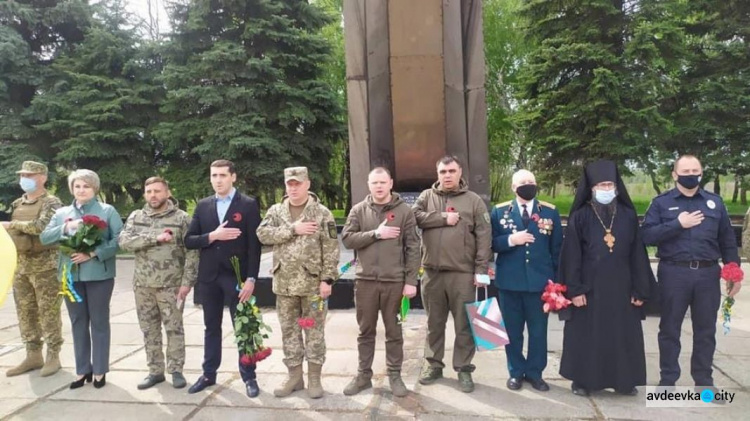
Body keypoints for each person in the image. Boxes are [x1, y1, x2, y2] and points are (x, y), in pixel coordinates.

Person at [642, 155, 741, 391]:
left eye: (695, 170)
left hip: (707, 274)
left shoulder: (714, 203)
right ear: (675, 174)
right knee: (669, 330)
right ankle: (668, 381)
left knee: (706, 331)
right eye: (685, 170)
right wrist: (678, 224)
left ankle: (704, 382)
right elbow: (646, 236)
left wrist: (733, 271)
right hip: (674, 273)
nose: (690, 174)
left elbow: (727, 240)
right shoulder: (661, 203)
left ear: (701, 173)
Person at [558, 160, 652, 396]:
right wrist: (575, 290)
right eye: (601, 184)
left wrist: (640, 290)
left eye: (610, 184)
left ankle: (625, 380)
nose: (606, 188)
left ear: (617, 187)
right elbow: (571, 255)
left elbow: (638, 255)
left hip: (622, 287)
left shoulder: (628, 215)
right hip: (589, 289)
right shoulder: (579, 217)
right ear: (591, 188)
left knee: (622, 336)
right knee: (588, 335)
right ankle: (583, 380)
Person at [256, 166, 340, 399]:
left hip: (313, 285)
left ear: (307, 184)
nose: (293, 188)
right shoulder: (276, 211)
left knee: (313, 331)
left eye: (297, 183)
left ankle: (314, 377)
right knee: (289, 332)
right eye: (289, 184)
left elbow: (331, 249)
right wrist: (293, 229)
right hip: (284, 284)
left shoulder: (322, 213)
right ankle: (295, 376)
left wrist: (327, 279)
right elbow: (262, 235)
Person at [413, 155, 492, 393]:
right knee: (434, 324)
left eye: (451, 171)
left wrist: (481, 269)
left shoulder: (473, 201)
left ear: (460, 173)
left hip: (463, 274)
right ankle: (433, 365)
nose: (447, 175)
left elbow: (484, 236)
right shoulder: (426, 197)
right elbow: (414, 217)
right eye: (442, 171)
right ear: (437, 174)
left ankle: (464, 368)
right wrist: (442, 218)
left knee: (464, 324)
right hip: (432, 273)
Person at [183, 160, 262, 397]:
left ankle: (249, 376)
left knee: (244, 328)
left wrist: (251, 279)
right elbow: (189, 240)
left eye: (222, 175)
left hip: (236, 278)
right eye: (214, 175)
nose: (218, 180)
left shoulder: (247, 205)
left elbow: (254, 246)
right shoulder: (203, 205)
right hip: (209, 279)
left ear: (233, 177)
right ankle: (208, 374)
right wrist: (213, 236)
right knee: (211, 327)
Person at [341, 167, 420, 397]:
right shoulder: (358, 210)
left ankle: (395, 375)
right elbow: (347, 239)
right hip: (365, 282)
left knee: (394, 331)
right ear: (368, 184)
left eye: (382, 182)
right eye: (374, 182)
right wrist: (375, 233)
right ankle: (363, 375)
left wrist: (411, 281)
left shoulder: (405, 211)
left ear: (391, 183)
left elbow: (413, 248)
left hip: (394, 282)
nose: (379, 186)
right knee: (365, 331)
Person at [40, 169, 123, 389]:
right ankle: (82, 370)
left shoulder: (107, 211)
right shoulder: (62, 213)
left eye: (86, 186)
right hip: (70, 275)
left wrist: (94, 253)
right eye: (77, 186)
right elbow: (44, 237)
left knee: (99, 322)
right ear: (71, 189)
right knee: (77, 322)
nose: (81, 190)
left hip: (99, 275)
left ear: (94, 188)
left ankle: (99, 371)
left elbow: (120, 239)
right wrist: (66, 227)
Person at [118, 177, 198, 390]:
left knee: (174, 328)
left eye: (157, 191)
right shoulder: (136, 217)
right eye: (149, 191)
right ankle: (155, 371)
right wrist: (155, 237)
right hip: (143, 285)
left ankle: (176, 370)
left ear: (167, 193)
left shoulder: (182, 219)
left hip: (171, 285)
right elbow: (124, 241)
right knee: (149, 329)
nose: (153, 195)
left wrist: (187, 282)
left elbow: (192, 252)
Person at [491, 169, 562, 392]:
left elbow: (557, 249)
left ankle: (535, 373)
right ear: (514, 187)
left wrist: (557, 285)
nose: (528, 185)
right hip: (509, 284)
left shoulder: (549, 212)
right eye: (523, 183)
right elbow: (490, 243)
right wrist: (512, 239)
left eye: (531, 181)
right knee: (512, 333)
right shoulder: (500, 211)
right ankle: (515, 372)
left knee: (538, 332)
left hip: (539, 285)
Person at [2, 161, 64, 377]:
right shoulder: (18, 203)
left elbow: (41, 228)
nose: (24, 178)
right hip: (21, 266)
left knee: (48, 312)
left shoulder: (52, 202)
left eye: (29, 174)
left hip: (45, 266)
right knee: (25, 312)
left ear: (42, 178)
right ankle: (33, 355)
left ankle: (53, 356)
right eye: (22, 174)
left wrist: (13, 226)